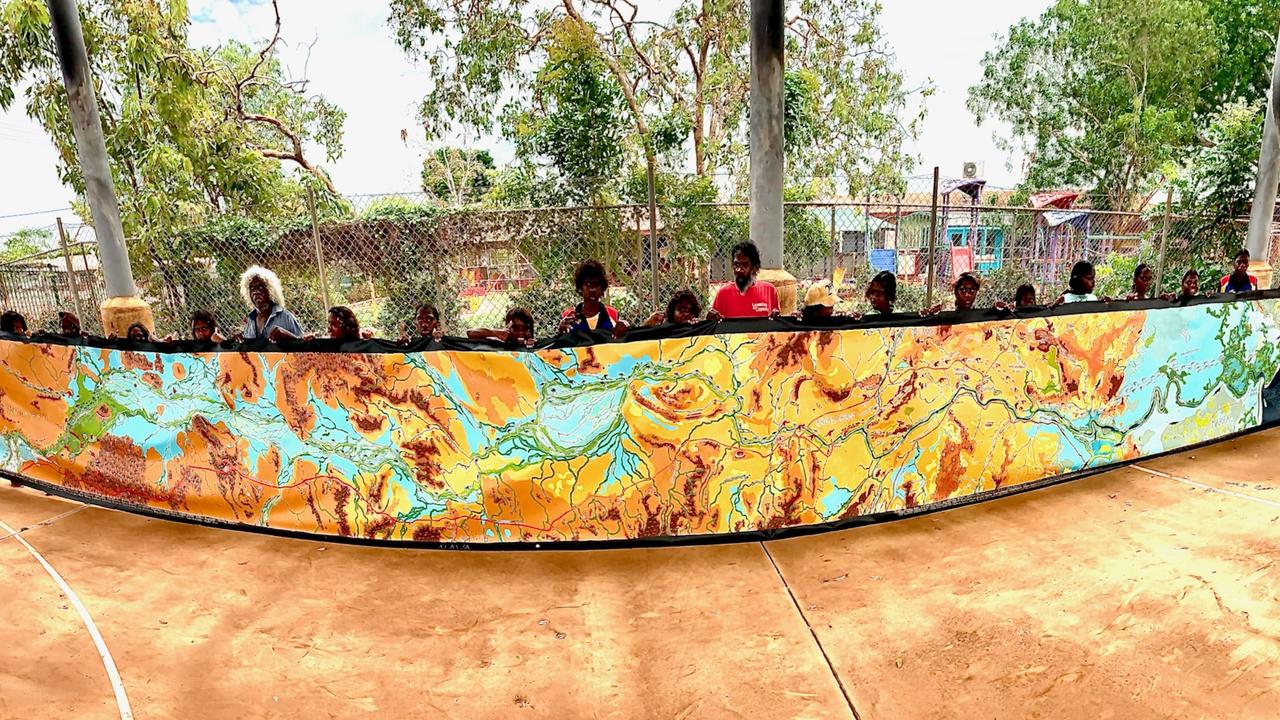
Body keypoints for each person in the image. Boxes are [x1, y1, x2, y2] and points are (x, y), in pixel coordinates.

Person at [708, 242, 780, 319]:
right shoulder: (723, 293)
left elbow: (777, 324)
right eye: (736, 264)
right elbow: (715, 326)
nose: (739, 269)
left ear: (755, 267)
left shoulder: (769, 290)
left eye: (745, 264)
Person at [558, 260, 626, 337]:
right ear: (580, 287)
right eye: (588, 284)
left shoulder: (612, 313)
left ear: (602, 288)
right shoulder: (570, 316)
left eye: (596, 284)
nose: (592, 289)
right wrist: (561, 332)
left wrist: (623, 328)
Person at [237, 266, 305, 341]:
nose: (255, 292)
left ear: (270, 290)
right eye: (252, 288)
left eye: (260, 287)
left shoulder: (286, 317)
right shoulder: (251, 319)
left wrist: (288, 336)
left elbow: (304, 347)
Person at [468, 307, 536, 348]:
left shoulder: (537, 347)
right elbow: (471, 333)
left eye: (525, 328)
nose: (520, 332)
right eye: (515, 327)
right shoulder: (499, 343)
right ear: (507, 328)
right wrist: (496, 333)